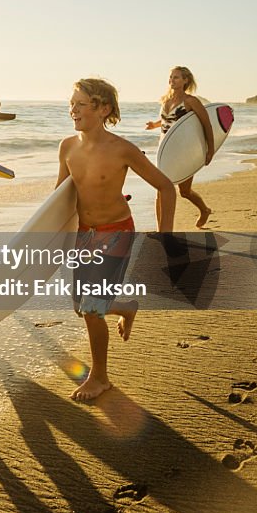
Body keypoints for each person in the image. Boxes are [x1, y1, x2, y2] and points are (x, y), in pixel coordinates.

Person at [59, 78, 176, 400]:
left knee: (93, 310)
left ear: (103, 109)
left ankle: (100, 377)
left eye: (81, 104)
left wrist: (164, 237)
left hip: (116, 233)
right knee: (81, 307)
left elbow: (165, 187)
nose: (73, 110)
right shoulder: (67, 147)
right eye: (72, 103)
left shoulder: (122, 149)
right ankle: (124, 307)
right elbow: (60, 199)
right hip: (84, 235)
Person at [145, 66, 215, 228]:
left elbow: (207, 125)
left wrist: (210, 150)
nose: (172, 80)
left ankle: (204, 210)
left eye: (176, 77)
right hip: (165, 150)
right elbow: (168, 121)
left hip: (184, 151)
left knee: (185, 192)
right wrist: (154, 125)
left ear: (185, 80)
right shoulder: (166, 101)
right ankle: (161, 230)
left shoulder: (191, 102)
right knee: (161, 189)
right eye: (170, 77)